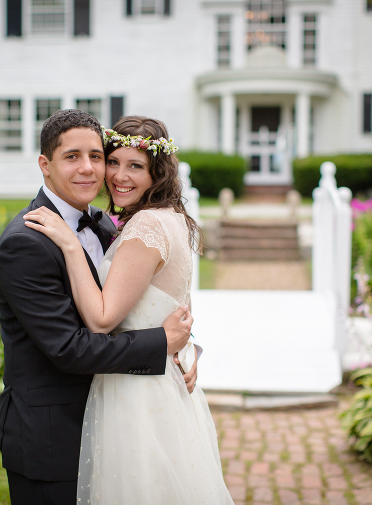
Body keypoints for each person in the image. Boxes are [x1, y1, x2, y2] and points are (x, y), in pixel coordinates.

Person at [24, 116, 234, 504]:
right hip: (155, 384)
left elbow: (103, 319)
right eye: (114, 162)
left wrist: (70, 246)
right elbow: (172, 303)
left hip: (136, 395)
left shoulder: (145, 226)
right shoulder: (166, 220)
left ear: (158, 172)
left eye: (136, 166)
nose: (119, 176)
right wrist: (185, 348)